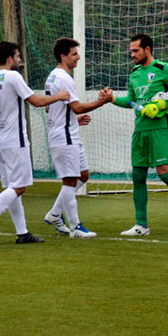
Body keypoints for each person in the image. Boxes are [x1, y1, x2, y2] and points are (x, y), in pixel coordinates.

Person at [0, 41, 69, 247]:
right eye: (17, 57)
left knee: (12, 187)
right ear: (9, 59)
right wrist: (59, 96)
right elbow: (35, 101)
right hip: (16, 140)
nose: (19, 61)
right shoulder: (13, 76)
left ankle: (22, 233)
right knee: (19, 187)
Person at [106, 33, 168, 236]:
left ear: (147, 49)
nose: (132, 55)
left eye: (136, 51)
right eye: (131, 51)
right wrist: (112, 99)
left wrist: (162, 104)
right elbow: (131, 101)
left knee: (164, 172)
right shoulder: (135, 72)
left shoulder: (163, 69)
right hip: (140, 130)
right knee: (138, 176)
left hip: (159, 129)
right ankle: (141, 226)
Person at [43, 37, 112, 239]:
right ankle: (75, 227)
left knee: (83, 176)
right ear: (63, 56)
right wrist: (103, 101)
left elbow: (51, 108)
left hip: (67, 131)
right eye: (74, 54)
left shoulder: (53, 76)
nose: (78, 57)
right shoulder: (64, 78)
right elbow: (77, 106)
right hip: (63, 136)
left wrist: (74, 119)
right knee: (70, 180)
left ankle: (55, 214)